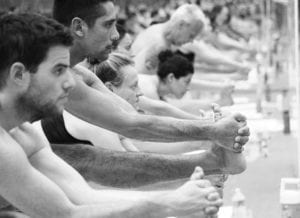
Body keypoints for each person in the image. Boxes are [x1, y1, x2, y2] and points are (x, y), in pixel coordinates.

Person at [0, 13, 223, 218]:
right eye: (58, 70)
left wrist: (177, 199)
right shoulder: (4, 147)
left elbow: (87, 198)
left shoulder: (25, 134)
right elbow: (67, 215)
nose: (69, 83)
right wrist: (169, 203)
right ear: (18, 74)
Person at [44, 0, 250, 187]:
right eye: (108, 25)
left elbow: (132, 119)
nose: (116, 35)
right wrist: (210, 134)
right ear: (79, 27)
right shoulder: (57, 72)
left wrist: (209, 130)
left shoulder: (77, 73)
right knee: (85, 158)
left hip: (45, 163)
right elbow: (133, 128)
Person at [131, 3, 207, 75]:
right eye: (191, 36)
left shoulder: (159, 31)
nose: (191, 41)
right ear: (181, 24)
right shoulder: (159, 45)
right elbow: (140, 81)